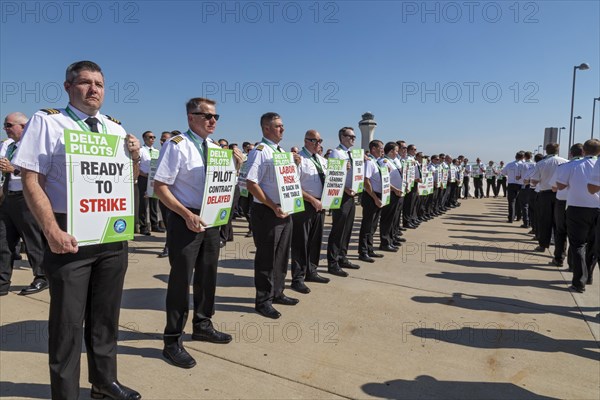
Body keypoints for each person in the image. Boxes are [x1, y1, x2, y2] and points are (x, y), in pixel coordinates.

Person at [13, 61, 141, 400]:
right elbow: (31, 178)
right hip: (68, 232)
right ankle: (66, 392)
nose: (94, 89)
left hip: (111, 233)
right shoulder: (48, 121)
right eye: (85, 82)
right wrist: (51, 230)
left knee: (105, 317)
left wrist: (136, 158)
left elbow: (126, 180)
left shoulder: (114, 128)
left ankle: (104, 382)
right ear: (69, 86)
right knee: (68, 324)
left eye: (99, 83)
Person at [154, 98, 242, 369]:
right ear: (191, 118)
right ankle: (172, 340)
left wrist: (236, 167)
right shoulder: (177, 145)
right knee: (181, 279)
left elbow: (224, 184)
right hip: (186, 218)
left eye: (215, 116)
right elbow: (160, 186)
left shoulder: (216, 148)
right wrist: (186, 214)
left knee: (208, 274)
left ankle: (203, 323)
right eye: (206, 116)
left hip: (211, 218)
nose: (212, 121)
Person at [245, 112, 299, 319]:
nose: (282, 129)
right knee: (266, 259)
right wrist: (272, 205)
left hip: (285, 209)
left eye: (282, 125)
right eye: (278, 126)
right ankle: (263, 301)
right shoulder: (260, 151)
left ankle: (277, 292)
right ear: (266, 128)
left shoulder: (280, 151)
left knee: (282, 255)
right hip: (267, 211)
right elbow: (251, 184)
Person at [0, 112, 48, 296]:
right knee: (4, 242)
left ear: (24, 126)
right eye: (5, 125)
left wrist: (14, 169)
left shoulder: (34, 147)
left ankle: (42, 277)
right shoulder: (9, 146)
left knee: (32, 239)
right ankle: (2, 281)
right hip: (8, 197)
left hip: (26, 198)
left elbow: (41, 172)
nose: (5, 128)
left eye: (9, 125)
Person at [556, 139, 600, 293]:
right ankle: (589, 276)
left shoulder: (571, 166)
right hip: (598, 209)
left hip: (577, 208)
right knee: (594, 245)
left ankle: (579, 281)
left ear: (583, 151)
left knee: (578, 244)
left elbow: (560, 185)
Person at [290, 130, 331, 294]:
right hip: (305, 205)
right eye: (315, 140)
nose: (318, 143)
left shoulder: (322, 160)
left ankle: (312, 271)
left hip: (320, 205)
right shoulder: (299, 159)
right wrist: (312, 200)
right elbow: (293, 186)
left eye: (320, 140)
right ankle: (297, 278)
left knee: (315, 240)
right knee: (301, 242)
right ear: (306, 140)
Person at [326, 127, 361, 276]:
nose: (353, 139)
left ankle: (343, 256)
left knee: (348, 228)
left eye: (354, 136)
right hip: (341, 195)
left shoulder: (352, 154)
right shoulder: (336, 153)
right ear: (342, 137)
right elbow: (333, 175)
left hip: (351, 194)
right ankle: (333, 262)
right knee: (338, 229)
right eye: (350, 136)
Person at [530, 143, 568, 252]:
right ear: (558, 150)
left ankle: (543, 245)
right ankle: (560, 249)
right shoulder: (565, 162)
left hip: (545, 194)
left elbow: (534, 181)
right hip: (560, 194)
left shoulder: (541, 163)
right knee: (560, 223)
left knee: (544, 221)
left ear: (546, 151)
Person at [358, 140, 386, 262]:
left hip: (378, 196)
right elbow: (366, 181)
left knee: (373, 226)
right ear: (373, 149)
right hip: (371, 197)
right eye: (380, 148)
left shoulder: (377, 162)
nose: (382, 150)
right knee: (367, 225)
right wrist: (375, 198)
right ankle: (363, 251)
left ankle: (370, 249)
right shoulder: (369, 162)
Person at [379, 141, 404, 250]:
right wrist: (395, 189)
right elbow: (384, 181)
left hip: (397, 193)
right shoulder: (384, 162)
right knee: (387, 219)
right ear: (391, 151)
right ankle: (385, 242)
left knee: (394, 218)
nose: (397, 153)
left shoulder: (393, 161)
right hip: (390, 193)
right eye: (396, 151)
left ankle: (391, 239)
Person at [138, 131, 163, 235]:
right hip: (144, 178)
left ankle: (154, 224)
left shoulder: (157, 151)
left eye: (154, 137)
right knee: (144, 203)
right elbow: (136, 164)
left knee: (154, 202)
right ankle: (143, 226)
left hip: (154, 179)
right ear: (144, 139)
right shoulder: (141, 150)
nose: (152, 139)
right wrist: (144, 175)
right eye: (150, 137)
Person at [157, 131, 174, 258]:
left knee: (171, 222)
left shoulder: (175, 153)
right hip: (161, 195)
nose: (164, 142)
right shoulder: (159, 154)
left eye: (167, 140)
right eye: (162, 140)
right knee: (167, 223)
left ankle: (169, 247)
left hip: (174, 197)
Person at [502, 152, 524, 223]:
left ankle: (511, 218)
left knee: (511, 202)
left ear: (515, 156)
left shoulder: (509, 164)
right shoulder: (524, 165)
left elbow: (503, 173)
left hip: (511, 184)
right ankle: (519, 217)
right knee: (519, 201)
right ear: (522, 157)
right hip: (520, 185)